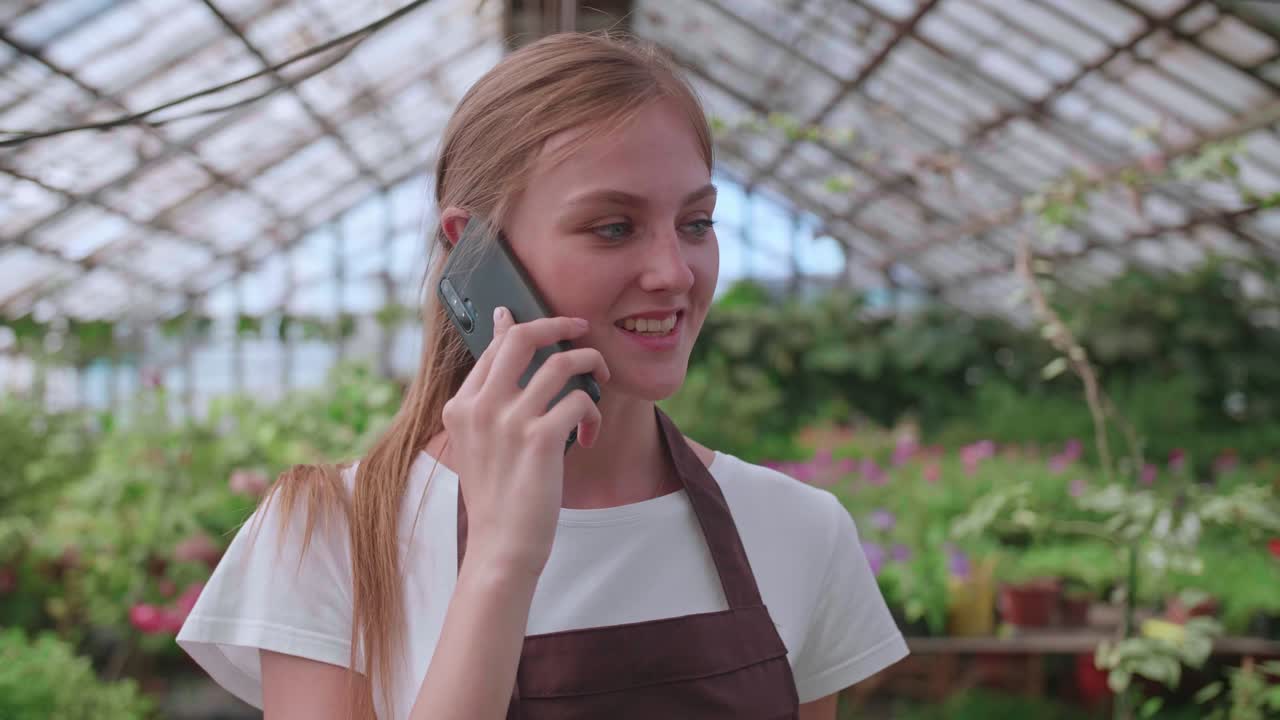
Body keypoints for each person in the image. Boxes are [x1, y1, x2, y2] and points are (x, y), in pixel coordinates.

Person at [177, 31, 907, 720]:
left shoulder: (799, 529)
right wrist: (502, 558)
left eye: (697, 222)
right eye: (613, 227)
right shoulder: (331, 536)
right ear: (475, 250)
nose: (674, 272)